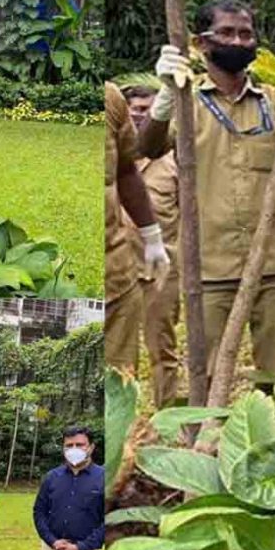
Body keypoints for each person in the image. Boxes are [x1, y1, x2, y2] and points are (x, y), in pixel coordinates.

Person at [139, 0, 275, 396]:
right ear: (202, 44)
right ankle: (203, 444)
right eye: (227, 33)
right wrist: (165, 101)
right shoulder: (187, 103)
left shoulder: (273, 99)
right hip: (209, 265)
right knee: (205, 370)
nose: (238, 40)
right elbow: (148, 147)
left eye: (246, 34)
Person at [124, 84, 182, 407]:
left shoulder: (175, 162)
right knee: (120, 356)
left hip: (161, 273)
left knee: (163, 351)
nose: (137, 113)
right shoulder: (114, 160)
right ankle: (123, 423)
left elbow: (189, 219)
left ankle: (166, 418)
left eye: (146, 108)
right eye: (133, 108)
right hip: (119, 273)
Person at [105, 80, 169, 372]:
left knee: (120, 382)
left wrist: (152, 237)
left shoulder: (111, 99)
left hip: (117, 272)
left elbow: (126, 170)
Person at [33, 426, 104, 550]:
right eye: (69, 445)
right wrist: (52, 541)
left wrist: (79, 547)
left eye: (80, 445)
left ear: (91, 447)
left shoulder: (104, 478)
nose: (74, 449)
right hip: (52, 548)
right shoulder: (52, 477)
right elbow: (39, 512)